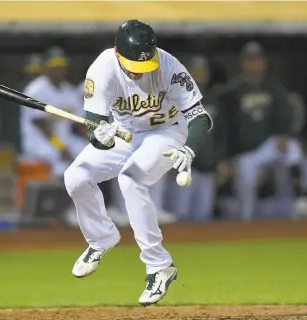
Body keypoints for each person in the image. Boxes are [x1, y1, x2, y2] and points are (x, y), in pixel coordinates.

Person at [64, 20, 212, 305]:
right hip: (125, 132)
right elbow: (94, 128)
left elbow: (199, 116)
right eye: (132, 63)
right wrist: (100, 136)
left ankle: (159, 266)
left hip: (167, 131)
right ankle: (101, 238)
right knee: (76, 177)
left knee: (131, 179)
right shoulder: (102, 69)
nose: (139, 71)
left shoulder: (169, 66)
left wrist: (190, 150)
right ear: (118, 54)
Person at [219, 41, 302, 220]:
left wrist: (284, 134)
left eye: (257, 60)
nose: (254, 64)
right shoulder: (233, 91)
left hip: (268, 146)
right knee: (246, 188)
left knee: (294, 151)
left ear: (264, 62)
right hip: (245, 153)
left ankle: (296, 204)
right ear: (243, 63)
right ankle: (246, 224)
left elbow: (285, 115)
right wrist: (227, 157)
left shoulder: (274, 89)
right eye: (250, 60)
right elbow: (225, 126)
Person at [166, 55, 227, 221]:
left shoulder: (214, 99)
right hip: (183, 167)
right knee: (179, 217)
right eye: (195, 72)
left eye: (203, 72)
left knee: (204, 217)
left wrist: (221, 161)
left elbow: (222, 133)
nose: (200, 76)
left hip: (207, 168)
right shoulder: (173, 99)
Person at [19, 46, 85, 179]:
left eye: (61, 66)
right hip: (38, 142)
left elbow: (80, 124)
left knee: (89, 152)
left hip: (64, 140)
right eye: (53, 66)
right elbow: (43, 127)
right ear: (45, 69)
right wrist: (61, 147)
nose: (58, 70)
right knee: (60, 163)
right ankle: (57, 197)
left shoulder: (70, 92)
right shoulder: (35, 91)